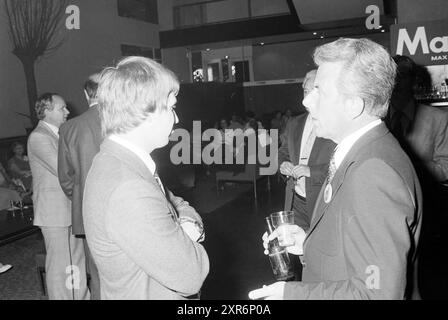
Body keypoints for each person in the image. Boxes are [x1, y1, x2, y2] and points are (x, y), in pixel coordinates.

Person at [249, 38, 422, 300]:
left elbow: (378, 293)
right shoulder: (362, 152)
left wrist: (291, 294)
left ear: (354, 104)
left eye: (320, 91)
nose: (307, 102)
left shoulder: (374, 172)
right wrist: (308, 243)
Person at [83, 56, 209, 299]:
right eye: (171, 107)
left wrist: (186, 225)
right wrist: (187, 235)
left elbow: (175, 203)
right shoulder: (128, 187)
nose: (177, 119)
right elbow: (192, 274)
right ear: (146, 111)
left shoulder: (122, 163)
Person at [28, 93, 90, 300]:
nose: (68, 111)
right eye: (61, 108)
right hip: (53, 212)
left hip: (71, 208)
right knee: (59, 265)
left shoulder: (60, 134)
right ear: (46, 111)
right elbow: (63, 169)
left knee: (76, 262)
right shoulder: (39, 137)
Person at [58, 75, 102, 299]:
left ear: (86, 95)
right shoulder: (125, 121)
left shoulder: (69, 128)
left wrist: (80, 198)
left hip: (88, 212)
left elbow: (66, 179)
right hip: (126, 209)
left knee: (97, 272)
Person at [278, 70, 335, 232]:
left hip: (322, 201)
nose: (307, 97)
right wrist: (283, 164)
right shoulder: (294, 123)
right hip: (295, 201)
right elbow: (282, 152)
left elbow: (343, 164)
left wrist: (311, 171)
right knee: (299, 249)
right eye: (305, 91)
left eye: (314, 91)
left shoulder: (335, 124)